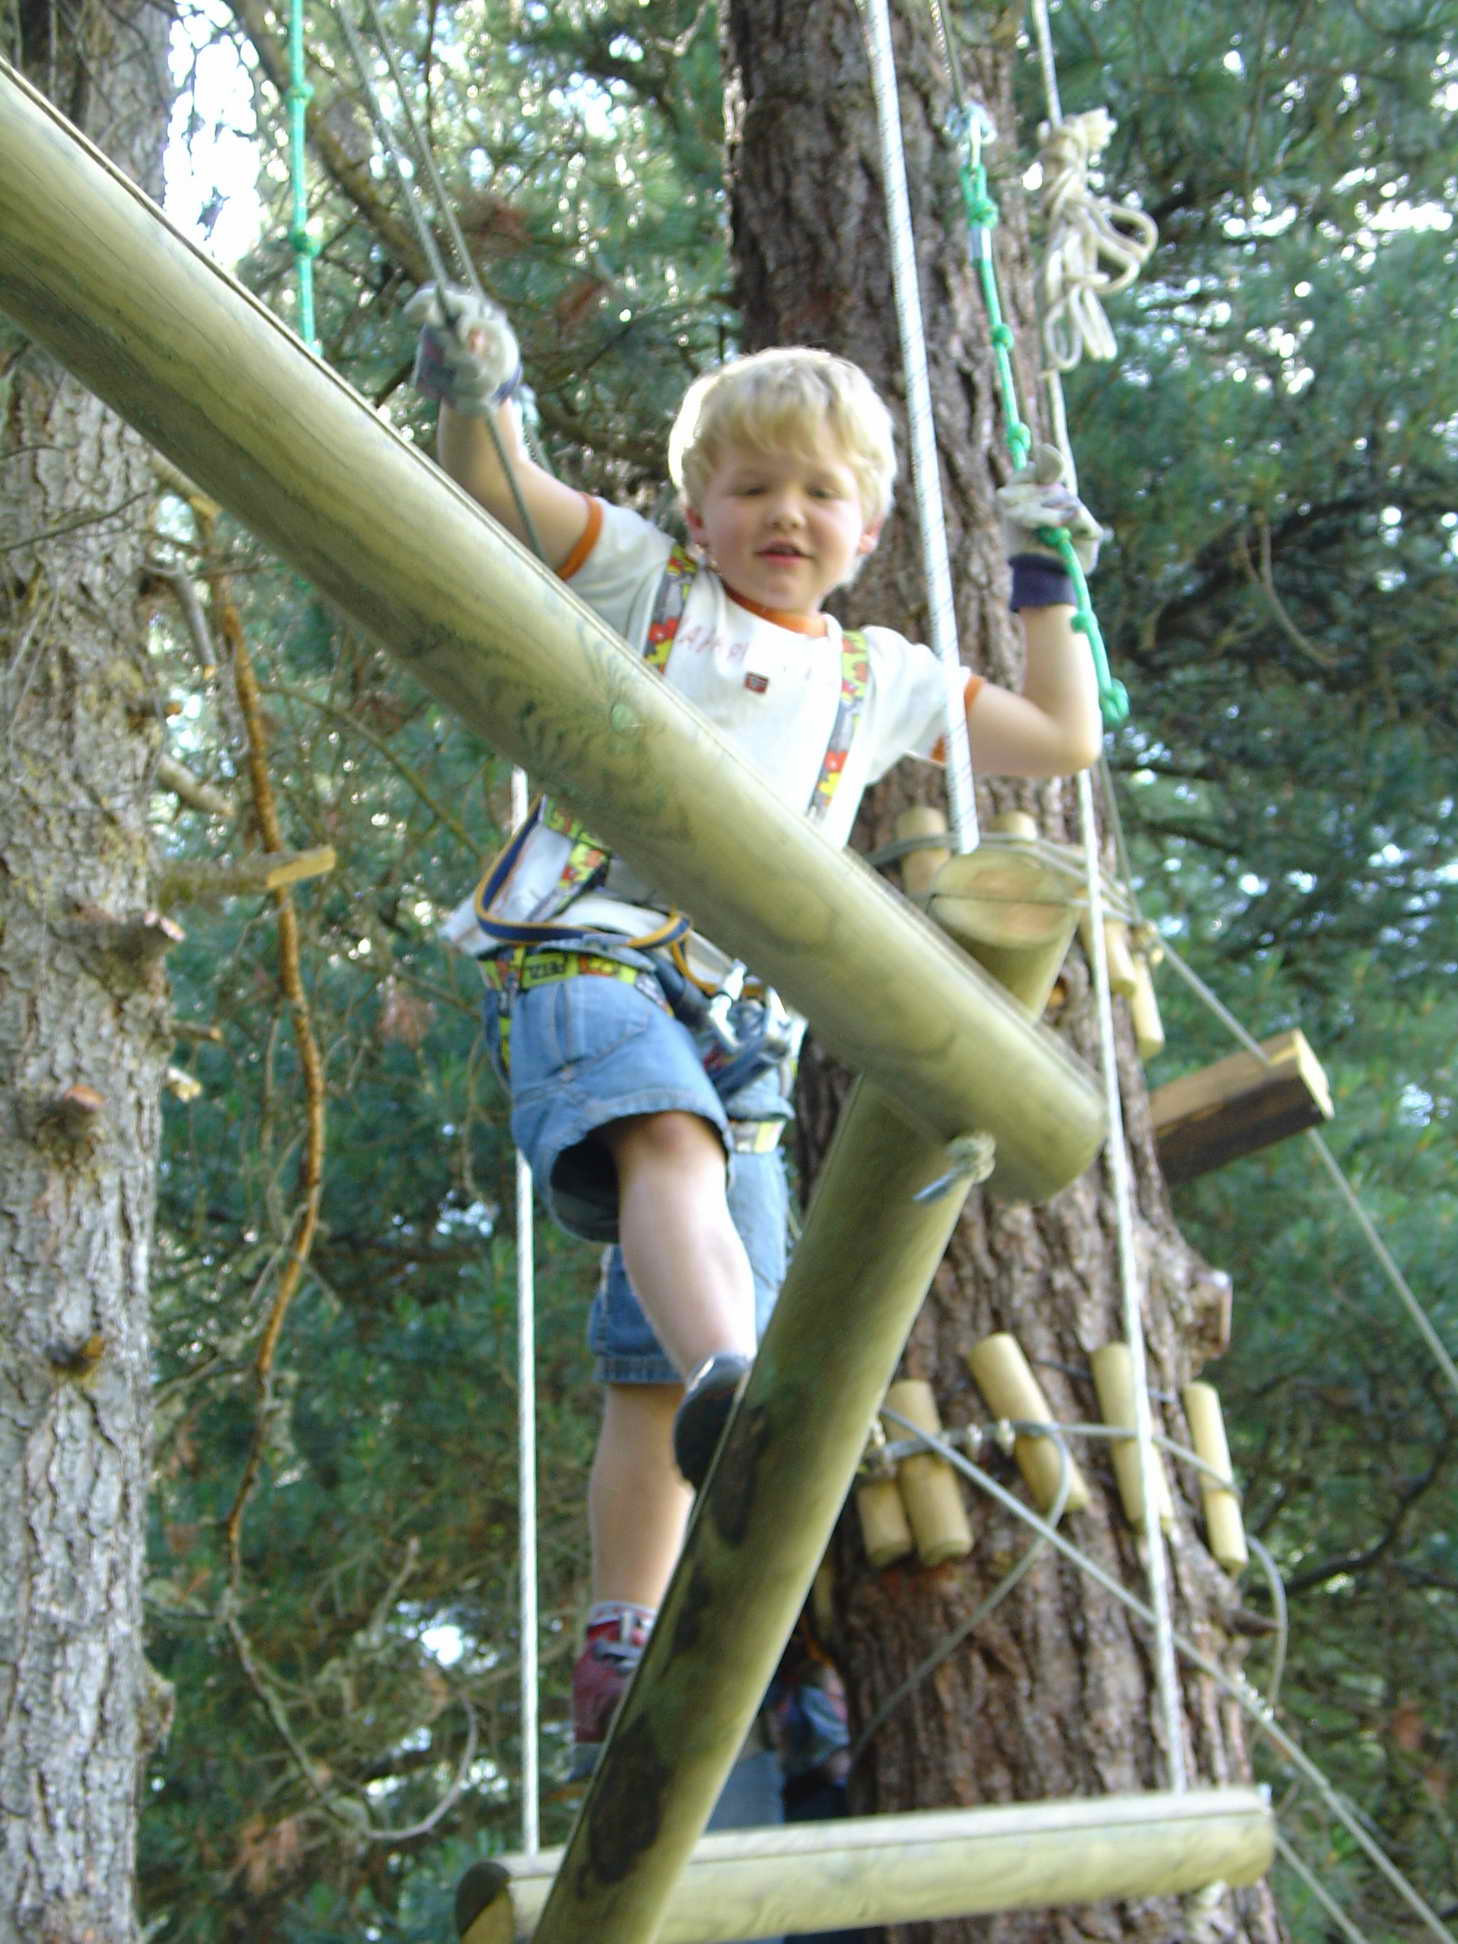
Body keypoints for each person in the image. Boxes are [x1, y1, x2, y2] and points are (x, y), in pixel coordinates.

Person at [409, 284, 1103, 1778]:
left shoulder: (881, 677)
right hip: (595, 943)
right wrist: (480, 387)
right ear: (699, 506)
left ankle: (639, 1646)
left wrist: (1046, 580)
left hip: (746, 1022)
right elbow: (497, 487)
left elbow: (1057, 740)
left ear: (865, 530)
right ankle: (741, 1395)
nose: (785, 512)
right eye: (752, 486)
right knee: (662, 1158)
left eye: (821, 493)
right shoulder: (651, 588)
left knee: (654, 1363)